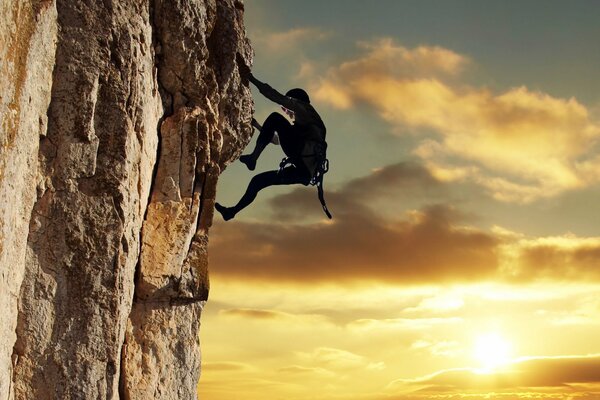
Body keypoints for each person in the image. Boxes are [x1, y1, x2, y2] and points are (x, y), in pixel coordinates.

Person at [215, 72, 329, 221]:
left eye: (287, 108)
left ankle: (253, 158)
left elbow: (276, 97)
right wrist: (256, 125)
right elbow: (276, 140)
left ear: (295, 102)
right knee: (258, 181)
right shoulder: (306, 125)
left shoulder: (304, 109)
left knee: (275, 118)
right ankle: (232, 212)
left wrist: (250, 77)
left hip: (300, 158)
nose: (286, 111)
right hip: (304, 172)